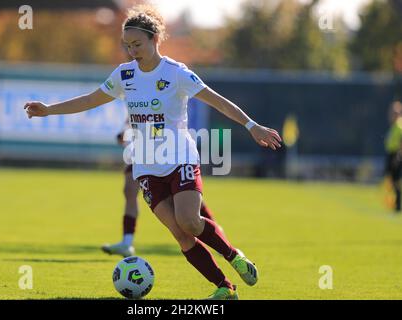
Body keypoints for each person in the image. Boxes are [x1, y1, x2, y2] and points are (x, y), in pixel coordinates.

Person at [24, 4, 282, 299]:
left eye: (137, 44)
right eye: (128, 45)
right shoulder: (124, 75)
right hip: (146, 164)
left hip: (179, 156)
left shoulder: (176, 73)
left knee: (190, 221)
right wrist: (49, 110)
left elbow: (218, 101)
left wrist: (252, 126)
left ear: (154, 38)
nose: (132, 50)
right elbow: (89, 100)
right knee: (180, 235)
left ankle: (234, 256)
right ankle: (225, 288)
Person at [101, 128, 221, 258]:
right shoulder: (131, 108)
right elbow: (133, 120)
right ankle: (127, 242)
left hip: (164, 148)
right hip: (140, 149)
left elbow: (160, 122)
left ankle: (218, 236)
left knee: (185, 199)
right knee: (129, 190)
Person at [384, 100, 402, 212]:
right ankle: (393, 202)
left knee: (396, 180)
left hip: (396, 155)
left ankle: (397, 204)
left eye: (395, 112)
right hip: (391, 154)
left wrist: (398, 157)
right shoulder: (394, 126)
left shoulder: (400, 126)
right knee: (391, 180)